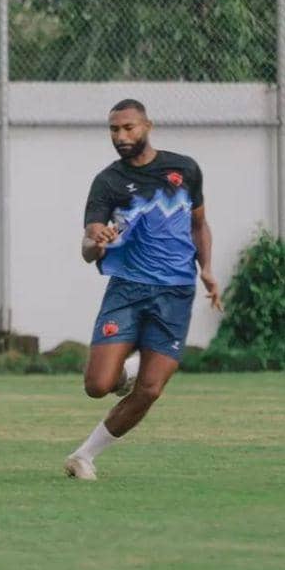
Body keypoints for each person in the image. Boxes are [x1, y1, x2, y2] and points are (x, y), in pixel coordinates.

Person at [64, 99, 222, 481]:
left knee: (150, 390)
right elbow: (88, 246)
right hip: (128, 290)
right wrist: (96, 243)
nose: (120, 136)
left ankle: (84, 456)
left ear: (147, 126)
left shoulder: (184, 169)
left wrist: (206, 269)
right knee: (98, 385)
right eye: (114, 130)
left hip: (176, 293)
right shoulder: (108, 182)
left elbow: (199, 224)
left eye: (128, 127)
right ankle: (126, 369)